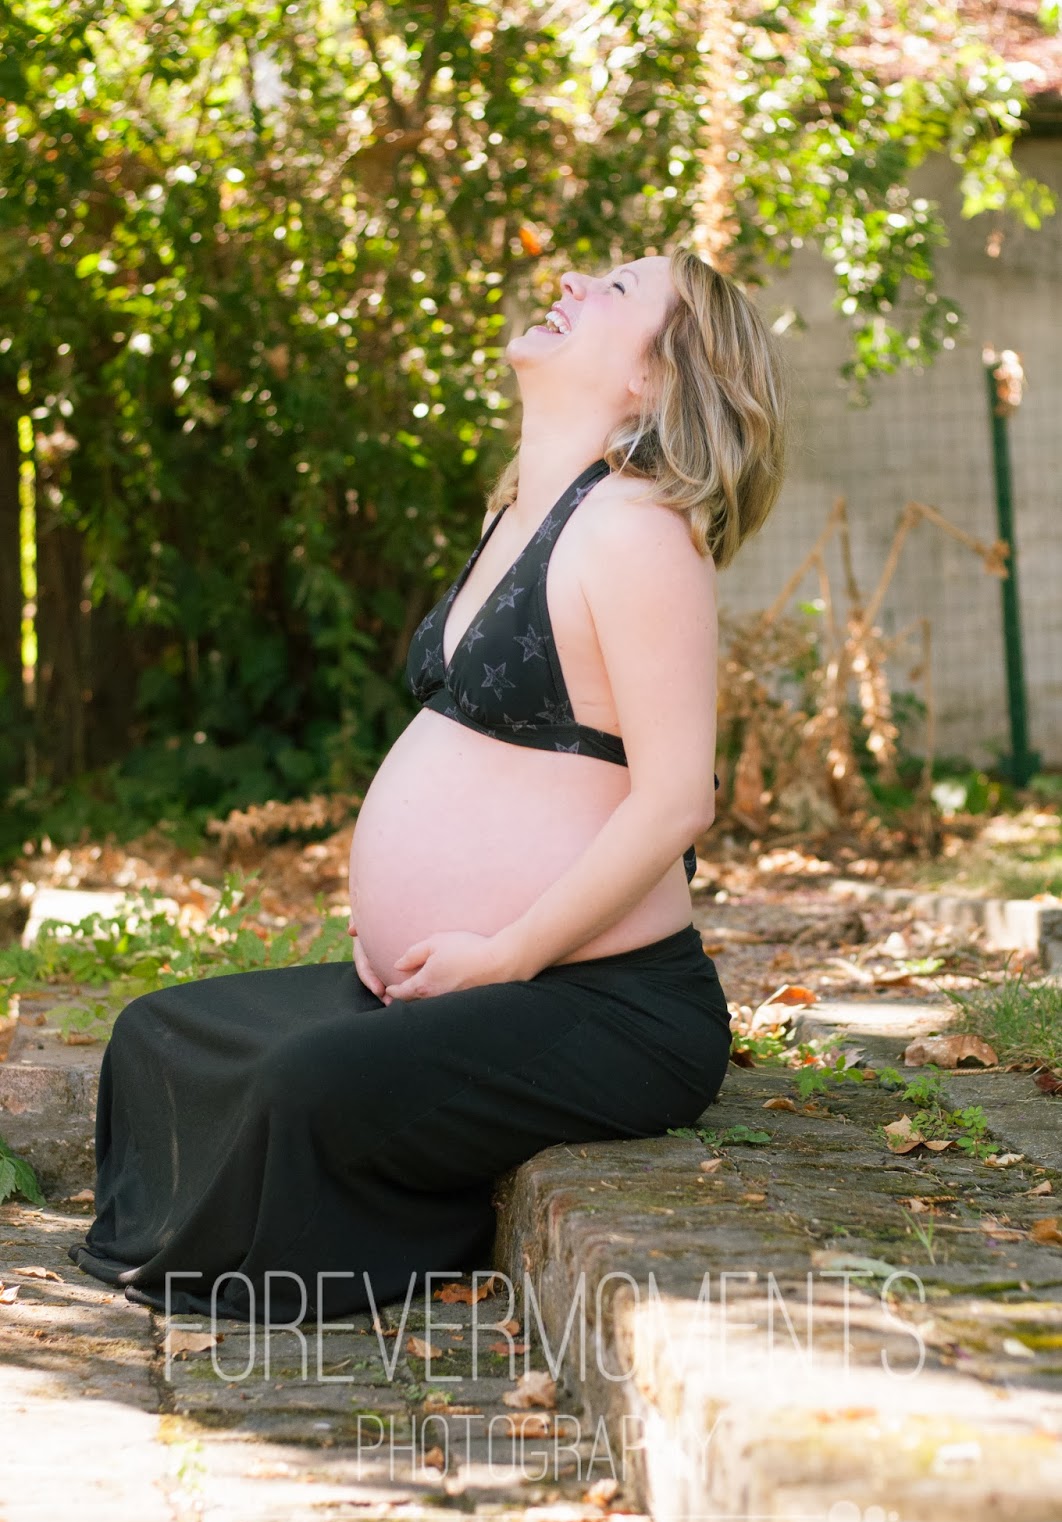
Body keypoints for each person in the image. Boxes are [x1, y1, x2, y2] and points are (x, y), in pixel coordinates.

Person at [68, 246, 789, 1326]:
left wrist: (507, 954)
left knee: (301, 1085)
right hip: (471, 980)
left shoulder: (639, 532)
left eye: (618, 290)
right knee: (155, 1033)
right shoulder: (522, 515)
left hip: (607, 1006)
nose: (575, 282)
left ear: (654, 375)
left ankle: (398, 1241)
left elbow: (678, 800)